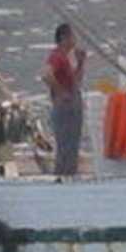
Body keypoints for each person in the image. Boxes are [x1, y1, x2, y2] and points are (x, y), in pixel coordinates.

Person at [43, 22, 88, 177]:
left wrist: (81, 63)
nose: (75, 39)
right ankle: (62, 177)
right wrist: (61, 93)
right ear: (64, 38)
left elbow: (76, 82)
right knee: (65, 146)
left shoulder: (66, 59)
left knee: (72, 146)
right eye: (73, 36)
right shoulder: (57, 56)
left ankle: (70, 175)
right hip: (64, 107)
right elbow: (47, 75)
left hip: (72, 105)